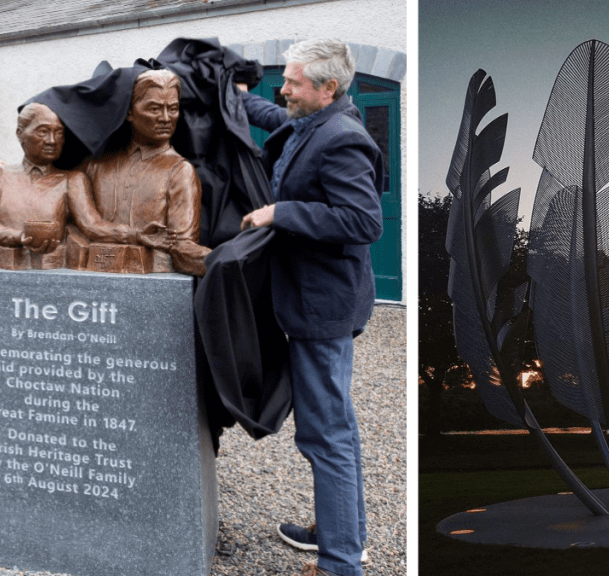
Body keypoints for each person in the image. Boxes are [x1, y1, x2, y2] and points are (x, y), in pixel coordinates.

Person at [239, 39, 383, 576]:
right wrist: (234, 98)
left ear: (327, 89)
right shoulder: (317, 121)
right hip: (314, 301)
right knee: (333, 427)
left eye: (294, 81)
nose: (285, 88)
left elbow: (364, 222)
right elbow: (279, 116)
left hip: (322, 309)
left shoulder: (343, 139)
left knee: (326, 433)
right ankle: (340, 529)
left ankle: (341, 563)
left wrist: (282, 211)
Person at [74, 68, 208, 276]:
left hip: (152, 281)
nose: (166, 118)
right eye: (154, 109)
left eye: (172, 109)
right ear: (129, 111)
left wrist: (219, 262)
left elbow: (182, 247)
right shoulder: (96, 164)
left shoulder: (180, 170)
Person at [0, 102, 132, 270]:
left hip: (53, 267)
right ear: (20, 134)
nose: (52, 140)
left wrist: (136, 235)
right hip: (3, 268)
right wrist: (20, 237)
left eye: (59, 132)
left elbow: (93, 226)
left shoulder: (72, 180)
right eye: (43, 131)